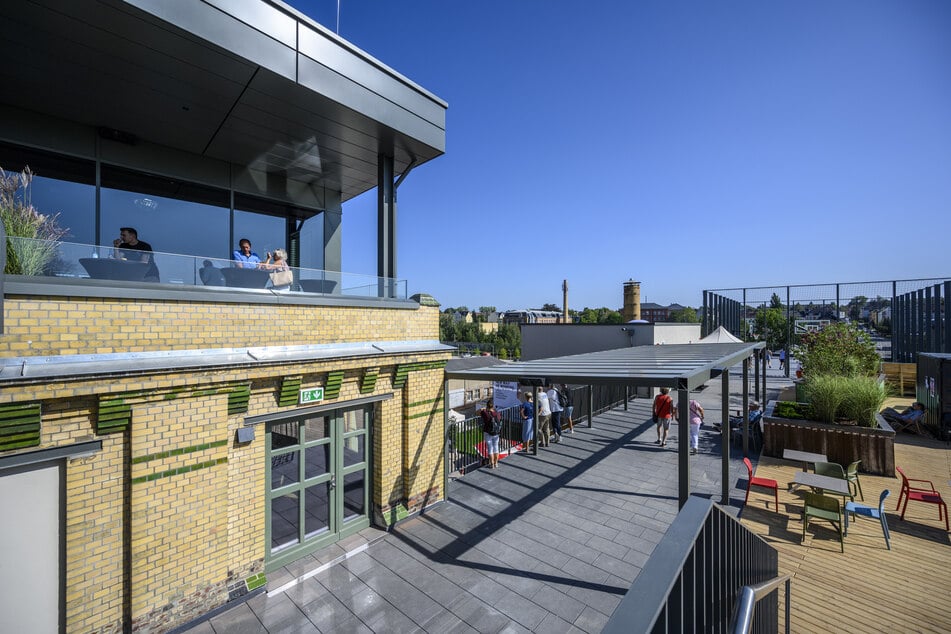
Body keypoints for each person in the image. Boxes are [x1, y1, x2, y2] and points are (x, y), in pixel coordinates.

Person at [479, 399, 502, 469]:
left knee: (490, 448)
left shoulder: (485, 413)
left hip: (488, 432)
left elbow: (476, 413)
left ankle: (492, 464)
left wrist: (482, 409)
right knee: (496, 448)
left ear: (487, 406)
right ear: (493, 406)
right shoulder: (497, 413)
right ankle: (496, 463)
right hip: (496, 433)